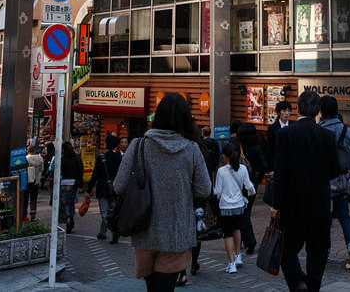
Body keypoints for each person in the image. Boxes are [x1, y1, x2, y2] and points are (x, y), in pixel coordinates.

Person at [113, 93, 211, 292]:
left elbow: (118, 186)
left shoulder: (138, 145)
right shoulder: (191, 148)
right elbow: (204, 188)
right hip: (177, 230)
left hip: (143, 226)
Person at [270, 91, 341, 292]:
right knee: (317, 252)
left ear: (298, 108)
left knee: (287, 249)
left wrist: (276, 205)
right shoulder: (327, 136)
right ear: (318, 111)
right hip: (319, 204)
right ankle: (312, 286)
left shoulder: (284, 135)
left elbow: (280, 174)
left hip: (291, 205)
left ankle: (298, 283)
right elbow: (334, 169)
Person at [318, 95, 350, 270]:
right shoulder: (346, 130)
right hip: (342, 179)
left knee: (324, 219)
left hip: (323, 181)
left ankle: (324, 252)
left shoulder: (319, 130)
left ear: (321, 111)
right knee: (344, 216)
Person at [213, 142, 256, 274]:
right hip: (239, 205)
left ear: (225, 156)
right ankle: (238, 256)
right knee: (237, 229)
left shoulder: (221, 171)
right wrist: (249, 194)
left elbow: (218, 192)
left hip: (225, 206)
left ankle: (231, 264)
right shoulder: (242, 168)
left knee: (227, 234)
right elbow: (249, 187)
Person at [236, 123, 267, 255]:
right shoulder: (257, 148)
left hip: (237, 184)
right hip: (251, 185)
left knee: (242, 214)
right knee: (246, 212)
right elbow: (263, 166)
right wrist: (258, 179)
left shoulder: (236, 147)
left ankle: (249, 241)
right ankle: (244, 240)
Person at [87, 134, 123, 242]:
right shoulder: (120, 158)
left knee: (105, 213)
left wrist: (89, 189)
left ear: (106, 144)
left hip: (103, 188)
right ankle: (102, 232)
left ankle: (114, 231)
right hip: (116, 189)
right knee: (112, 211)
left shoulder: (101, 158)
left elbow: (95, 175)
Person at [57, 141, 84, 234]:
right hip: (73, 183)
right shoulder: (76, 158)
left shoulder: (62, 159)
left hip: (64, 182)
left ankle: (68, 218)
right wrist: (79, 183)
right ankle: (70, 218)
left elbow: (59, 171)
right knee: (70, 202)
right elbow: (81, 170)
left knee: (64, 203)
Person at [266, 100, 293, 172]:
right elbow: (270, 149)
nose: (287, 113)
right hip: (278, 162)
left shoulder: (294, 126)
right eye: (284, 111)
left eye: (289, 111)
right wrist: (271, 168)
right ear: (278, 112)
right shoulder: (272, 128)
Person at [25, 143, 43, 221]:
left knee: (25, 198)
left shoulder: (26, 158)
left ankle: (24, 215)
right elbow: (42, 169)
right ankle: (33, 215)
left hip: (27, 180)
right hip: (36, 180)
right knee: (33, 198)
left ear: (28, 151)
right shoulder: (40, 158)